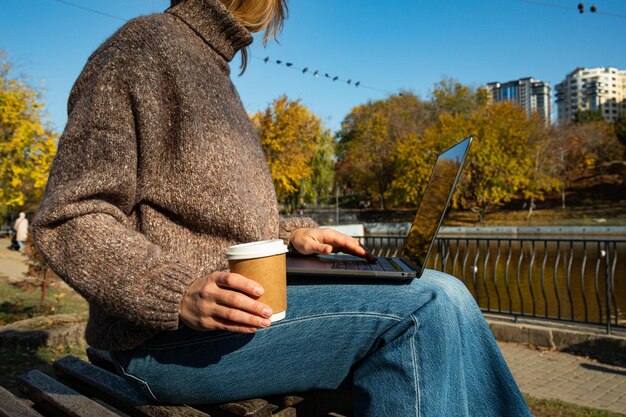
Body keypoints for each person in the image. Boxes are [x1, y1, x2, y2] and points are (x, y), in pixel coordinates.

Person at [32, 0, 532, 415]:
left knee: (445, 293)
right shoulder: (141, 49)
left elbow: (209, 219)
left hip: (240, 321)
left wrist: (292, 234)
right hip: (160, 344)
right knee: (428, 306)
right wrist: (175, 291)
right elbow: (72, 214)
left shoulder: (211, 67)